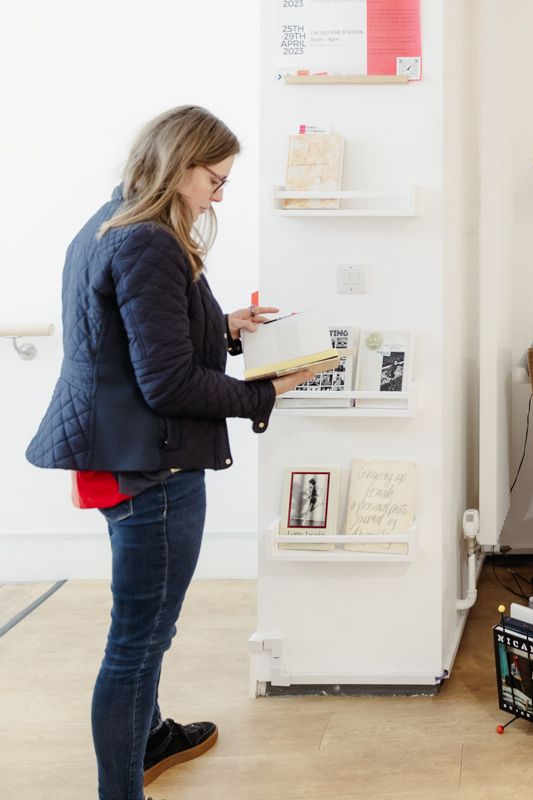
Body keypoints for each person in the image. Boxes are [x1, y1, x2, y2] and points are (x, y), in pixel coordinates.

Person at [24, 106, 313, 798]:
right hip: (151, 467)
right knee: (139, 640)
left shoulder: (109, 221)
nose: (221, 192)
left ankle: (150, 738)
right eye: (216, 178)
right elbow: (170, 381)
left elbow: (136, 340)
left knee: (148, 625)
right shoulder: (150, 243)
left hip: (120, 457)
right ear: (181, 165)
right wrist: (266, 392)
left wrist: (224, 325)